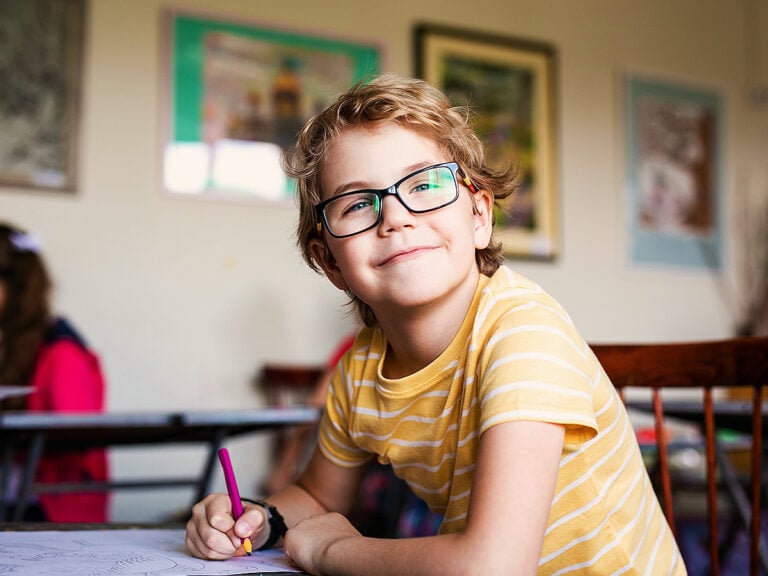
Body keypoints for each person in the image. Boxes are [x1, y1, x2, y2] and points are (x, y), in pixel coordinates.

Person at [186, 75, 686, 575]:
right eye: (359, 203)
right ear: (331, 262)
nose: (396, 217)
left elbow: (493, 567)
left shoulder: (524, 333)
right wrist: (260, 518)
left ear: (479, 216)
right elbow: (317, 496)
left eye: (424, 185)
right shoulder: (360, 370)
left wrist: (331, 550)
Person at [0, 222, 109, 522]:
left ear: (17, 286)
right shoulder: (11, 345)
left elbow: (74, 440)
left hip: (49, 504)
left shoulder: (63, 353)